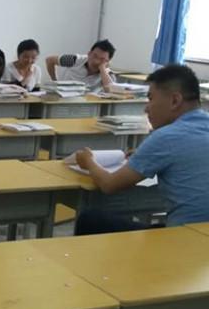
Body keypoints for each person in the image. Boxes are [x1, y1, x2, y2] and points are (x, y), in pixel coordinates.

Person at [74, 64, 209, 234]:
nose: (146, 108)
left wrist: (89, 161)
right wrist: (144, 157)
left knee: (90, 219)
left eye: (151, 99)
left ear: (175, 101)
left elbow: (109, 185)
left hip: (186, 239)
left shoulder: (166, 137)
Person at [45, 39, 116, 92]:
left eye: (102, 59)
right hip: (64, 98)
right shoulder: (75, 59)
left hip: (87, 105)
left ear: (108, 61)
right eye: (95, 56)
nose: (96, 61)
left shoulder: (107, 74)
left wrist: (102, 68)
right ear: (89, 53)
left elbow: (110, 91)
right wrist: (55, 81)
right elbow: (49, 60)